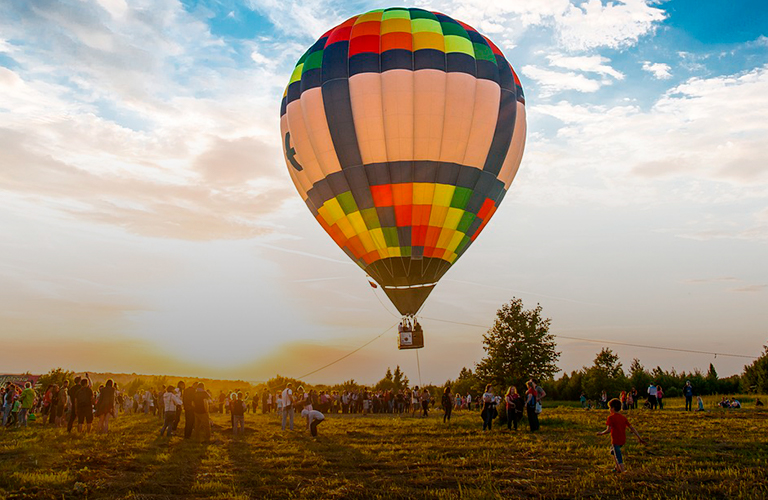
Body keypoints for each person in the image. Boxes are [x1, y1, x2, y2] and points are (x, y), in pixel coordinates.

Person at [596, 398, 647, 473]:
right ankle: (617, 468)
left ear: (613, 408)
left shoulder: (611, 418)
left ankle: (623, 470)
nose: (609, 409)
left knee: (618, 456)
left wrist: (601, 433)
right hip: (622, 440)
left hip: (616, 440)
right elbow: (632, 428)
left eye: (610, 408)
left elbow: (608, 430)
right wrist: (639, 438)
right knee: (612, 451)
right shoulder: (623, 418)